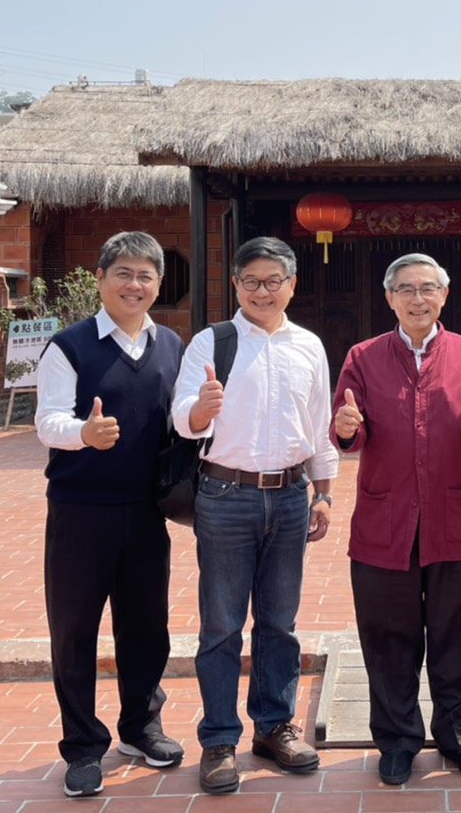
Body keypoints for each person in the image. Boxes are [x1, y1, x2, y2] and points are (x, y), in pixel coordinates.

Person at [331, 253, 461, 787]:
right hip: (386, 520)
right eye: (405, 289)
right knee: (388, 636)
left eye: (427, 288)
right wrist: (343, 427)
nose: (417, 298)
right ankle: (398, 738)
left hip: (458, 515)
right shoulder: (362, 357)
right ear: (389, 298)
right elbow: (348, 433)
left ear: (444, 295)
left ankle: (458, 735)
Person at [171, 236, 339, 795]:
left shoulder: (310, 345)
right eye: (251, 282)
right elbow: (180, 417)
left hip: (291, 497)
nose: (262, 291)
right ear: (236, 286)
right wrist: (199, 410)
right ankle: (219, 739)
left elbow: (318, 427)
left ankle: (273, 728)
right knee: (221, 626)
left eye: (273, 281)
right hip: (225, 495)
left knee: (279, 623)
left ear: (292, 284)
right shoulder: (211, 341)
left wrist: (324, 493)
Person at [33, 231, 186, 799]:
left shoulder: (170, 345)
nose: (135, 284)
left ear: (159, 284)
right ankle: (81, 748)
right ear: (100, 279)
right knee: (74, 631)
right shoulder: (69, 346)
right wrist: (84, 434)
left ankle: (141, 727)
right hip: (81, 513)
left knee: (146, 628)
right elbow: (47, 422)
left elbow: (183, 420)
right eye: (123, 272)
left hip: (147, 512)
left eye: (146, 275)